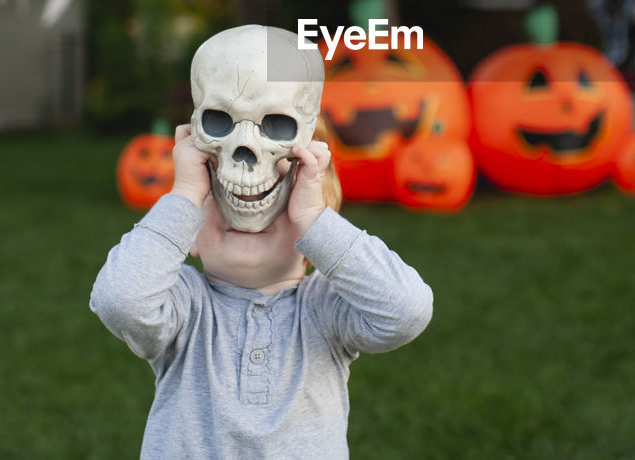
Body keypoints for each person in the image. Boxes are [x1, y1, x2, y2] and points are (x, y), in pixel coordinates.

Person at [90, 122, 433, 459]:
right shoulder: (183, 303)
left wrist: (313, 215)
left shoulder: (323, 306)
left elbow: (406, 310)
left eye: (280, 196)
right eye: (218, 192)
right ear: (189, 233)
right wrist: (184, 194)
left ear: (315, 242)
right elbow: (120, 300)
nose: (246, 207)